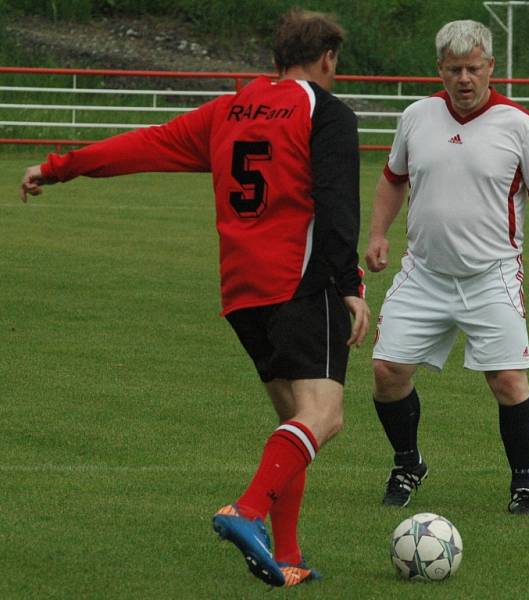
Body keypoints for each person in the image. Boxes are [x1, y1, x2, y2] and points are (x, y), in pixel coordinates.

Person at [20, 8, 369, 588]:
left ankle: (287, 556)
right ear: (328, 57)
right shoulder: (326, 113)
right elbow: (336, 205)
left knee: (292, 419)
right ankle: (246, 510)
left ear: (276, 58)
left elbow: (144, 144)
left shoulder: (228, 111)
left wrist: (60, 168)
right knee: (323, 417)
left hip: (241, 290)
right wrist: (351, 286)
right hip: (301, 282)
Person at [365, 19, 529, 516]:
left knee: (508, 382)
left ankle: (524, 487)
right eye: (454, 69)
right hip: (423, 272)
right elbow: (393, 179)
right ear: (440, 69)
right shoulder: (416, 116)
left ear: (491, 66)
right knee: (387, 372)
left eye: (474, 68)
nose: (464, 79)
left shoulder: (521, 125)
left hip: (491, 273)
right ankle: (408, 464)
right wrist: (377, 233)